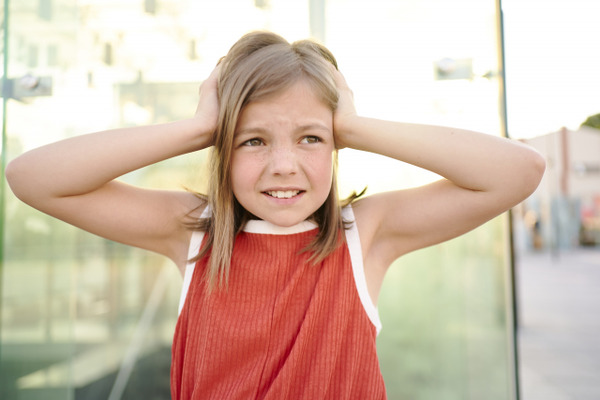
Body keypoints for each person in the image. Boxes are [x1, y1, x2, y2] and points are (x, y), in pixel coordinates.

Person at [5, 31, 545, 399]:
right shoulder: (195, 233)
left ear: (336, 145)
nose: (283, 166)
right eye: (253, 140)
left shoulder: (366, 236)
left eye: (311, 139)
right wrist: (198, 128)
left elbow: (518, 170)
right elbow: (32, 177)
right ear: (223, 145)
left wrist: (352, 125)